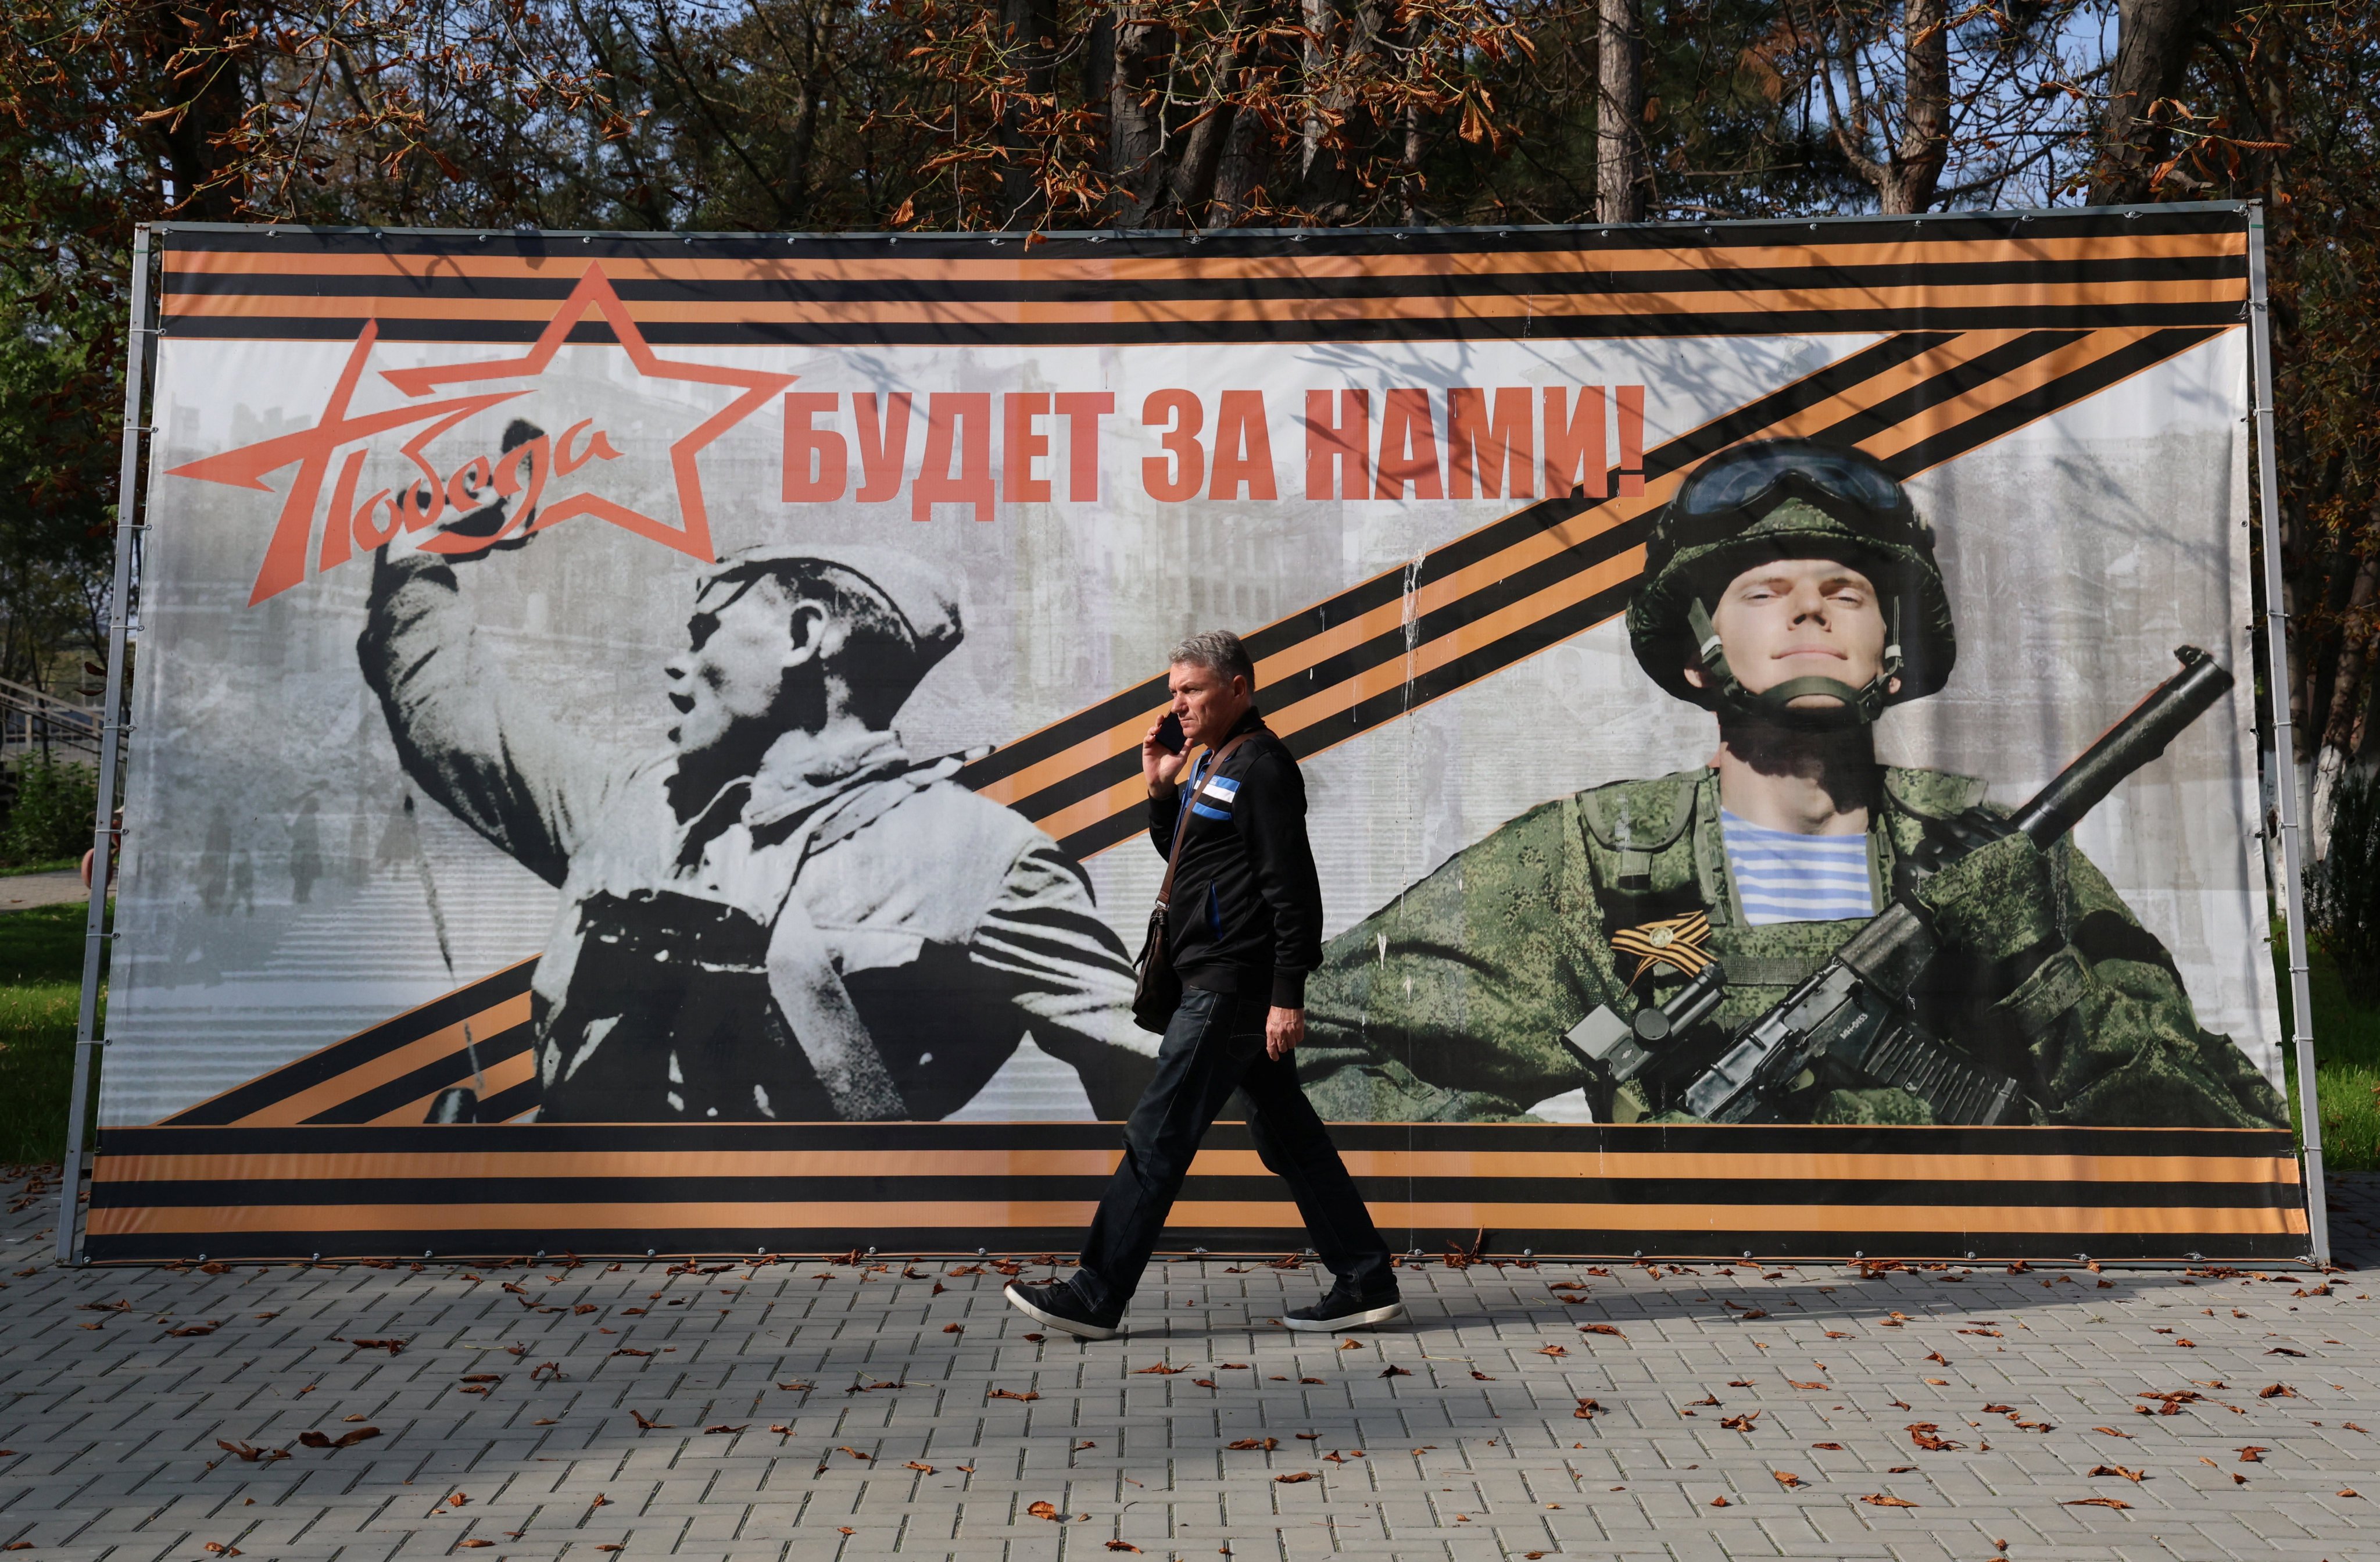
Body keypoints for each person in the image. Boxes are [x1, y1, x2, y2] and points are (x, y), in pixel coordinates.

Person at [1297, 438, 2289, 1129]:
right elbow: (1313, 1038)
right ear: (1697, 652)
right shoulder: (1597, 863)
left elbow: (2219, 1129)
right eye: (1763, 591)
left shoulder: (1997, 858)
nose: (1809, 609)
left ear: (1891, 650)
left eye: (1846, 591)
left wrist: (2037, 972)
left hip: (1977, 1298)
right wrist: (1565, 1180)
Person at [355, 446, 1157, 1124]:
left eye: (703, 632)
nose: (677, 665)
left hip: (820, 1283)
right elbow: (456, 718)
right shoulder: (634, 802)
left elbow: (1150, 1077)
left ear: (805, 636)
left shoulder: (984, 858)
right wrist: (420, 564)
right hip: (586, 1264)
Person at [1004, 631, 1402, 1340]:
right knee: (1290, 1137)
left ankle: (1098, 1291)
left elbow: (1294, 892)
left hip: (1232, 986)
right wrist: (1161, 791)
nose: (1176, 703)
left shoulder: (1264, 766)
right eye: (1173, 690)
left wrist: (1288, 995)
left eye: (1190, 689)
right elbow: (1195, 862)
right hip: (1217, 981)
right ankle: (1366, 1277)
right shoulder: (1215, 763)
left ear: (1238, 687)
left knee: (1157, 1132)